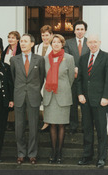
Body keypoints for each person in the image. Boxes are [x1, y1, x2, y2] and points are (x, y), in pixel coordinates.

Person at [77, 34, 108, 168]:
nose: (93, 44)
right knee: (87, 129)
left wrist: (106, 97)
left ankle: (101, 158)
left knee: (101, 130)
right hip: (85, 101)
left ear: (100, 43)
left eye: (95, 42)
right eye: (91, 42)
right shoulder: (83, 58)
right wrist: (80, 94)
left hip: (100, 101)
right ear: (87, 44)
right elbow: (79, 78)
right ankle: (87, 156)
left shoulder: (107, 57)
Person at [10, 34, 45, 165]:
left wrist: (35, 90)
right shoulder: (14, 60)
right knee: (19, 126)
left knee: (34, 126)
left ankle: (32, 154)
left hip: (33, 96)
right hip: (19, 95)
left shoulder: (39, 59)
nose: (22, 44)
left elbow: (41, 78)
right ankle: (20, 153)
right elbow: (13, 78)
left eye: (25, 41)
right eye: (21, 42)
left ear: (32, 44)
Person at [43, 34, 75, 164]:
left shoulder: (69, 58)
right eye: (53, 42)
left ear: (62, 44)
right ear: (50, 44)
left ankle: (60, 153)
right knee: (52, 124)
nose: (56, 44)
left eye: (58, 42)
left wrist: (63, 88)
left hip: (63, 95)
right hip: (50, 96)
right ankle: (53, 152)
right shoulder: (45, 59)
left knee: (61, 125)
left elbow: (71, 77)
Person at [64, 20, 90, 134]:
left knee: (86, 103)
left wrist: (83, 70)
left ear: (85, 31)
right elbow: (66, 57)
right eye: (77, 29)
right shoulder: (68, 43)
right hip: (72, 77)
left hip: (86, 78)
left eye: (82, 29)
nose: (80, 31)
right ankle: (73, 126)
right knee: (73, 103)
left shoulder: (90, 42)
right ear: (74, 31)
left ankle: (86, 126)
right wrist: (74, 68)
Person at [1, 31, 21, 131]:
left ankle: (14, 122)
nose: (11, 40)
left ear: (17, 39)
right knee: (8, 97)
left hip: (16, 77)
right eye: (9, 37)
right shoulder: (6, 49)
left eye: (13, 38)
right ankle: (7, 121)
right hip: (7, 76)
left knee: (14, 98)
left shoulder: (20, 49)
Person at [34, 25, 53, 130]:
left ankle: (48, 121)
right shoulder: (36, 47)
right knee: (40, 99)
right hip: (38, 77)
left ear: (51, 35)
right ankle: (41, 120)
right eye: (43, 35)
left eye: (47, 35)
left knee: (48, 100)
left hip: (49, 77)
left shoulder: (54, 46)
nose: (45, 38)